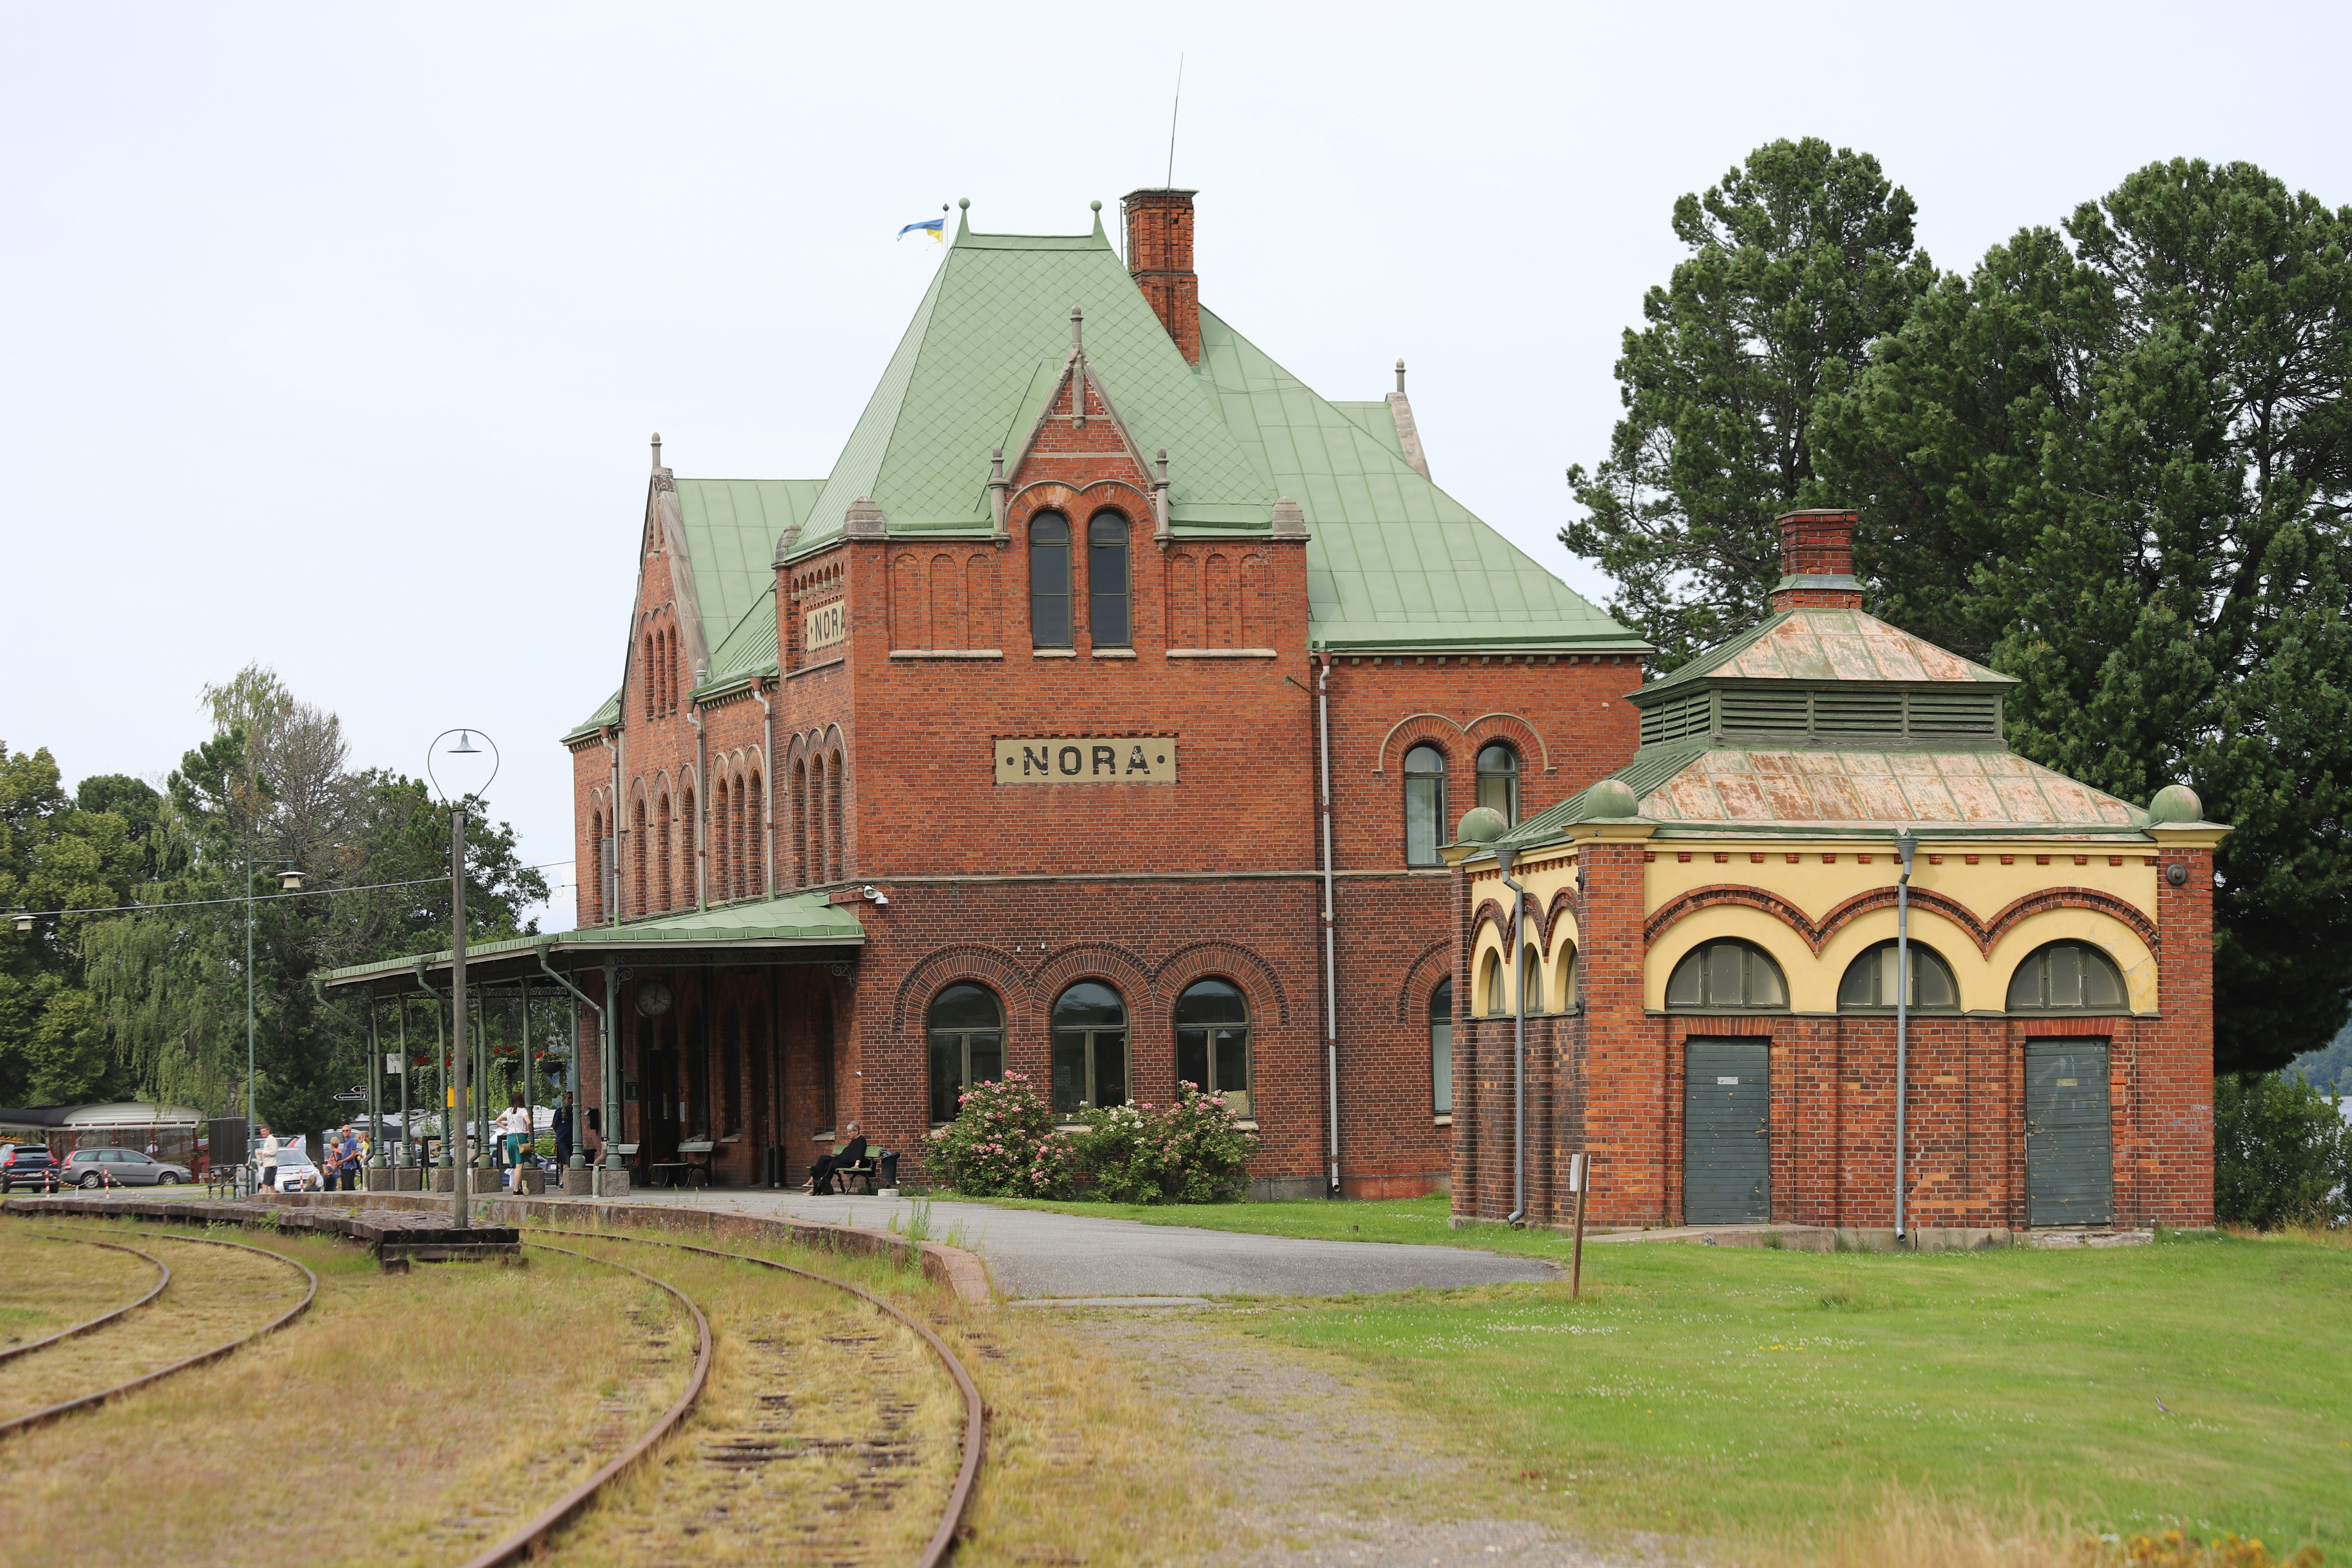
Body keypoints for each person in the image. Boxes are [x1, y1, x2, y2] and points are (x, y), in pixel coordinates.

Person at [805, 1122, 867, 1196]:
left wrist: (857, 1165)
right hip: (841, 1159)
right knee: (823, 1158)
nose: (848, 1134)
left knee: (829, 1166)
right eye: (848, 1132)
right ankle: (813, 1179)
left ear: (856, 1131)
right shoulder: (854, 1140)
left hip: (847, 1163)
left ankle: (819, 1187)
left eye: (850, 1132)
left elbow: (860, 1153)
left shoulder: (861, 1141)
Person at [553, 1093, 574, 1166]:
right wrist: (559, 1134)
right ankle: (566, 1177)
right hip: (562, 1140)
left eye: (573, 1099)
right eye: (569, 1098)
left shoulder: (575, 1111)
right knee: (567, 1161)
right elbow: (554, 1124)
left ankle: (564, 1178)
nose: (571, 1100)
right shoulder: (561, 1111)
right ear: (566, 1100)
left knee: (572, 1161)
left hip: (572, 1141)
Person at [257, 1125, 279, 1191]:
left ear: (269, 1131)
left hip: (271, 1166)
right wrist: (264, 1161)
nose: (263, 1133)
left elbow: (274, 1152)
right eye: (261, 1132)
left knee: (265, 1185)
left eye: (264, 1131)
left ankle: (263, 1200)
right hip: (269, 1164)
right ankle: (275, 1199)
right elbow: (269, 1152)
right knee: (272, 1186)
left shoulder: (272, 1140)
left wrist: (263, 1152)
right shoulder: (267, 1140)